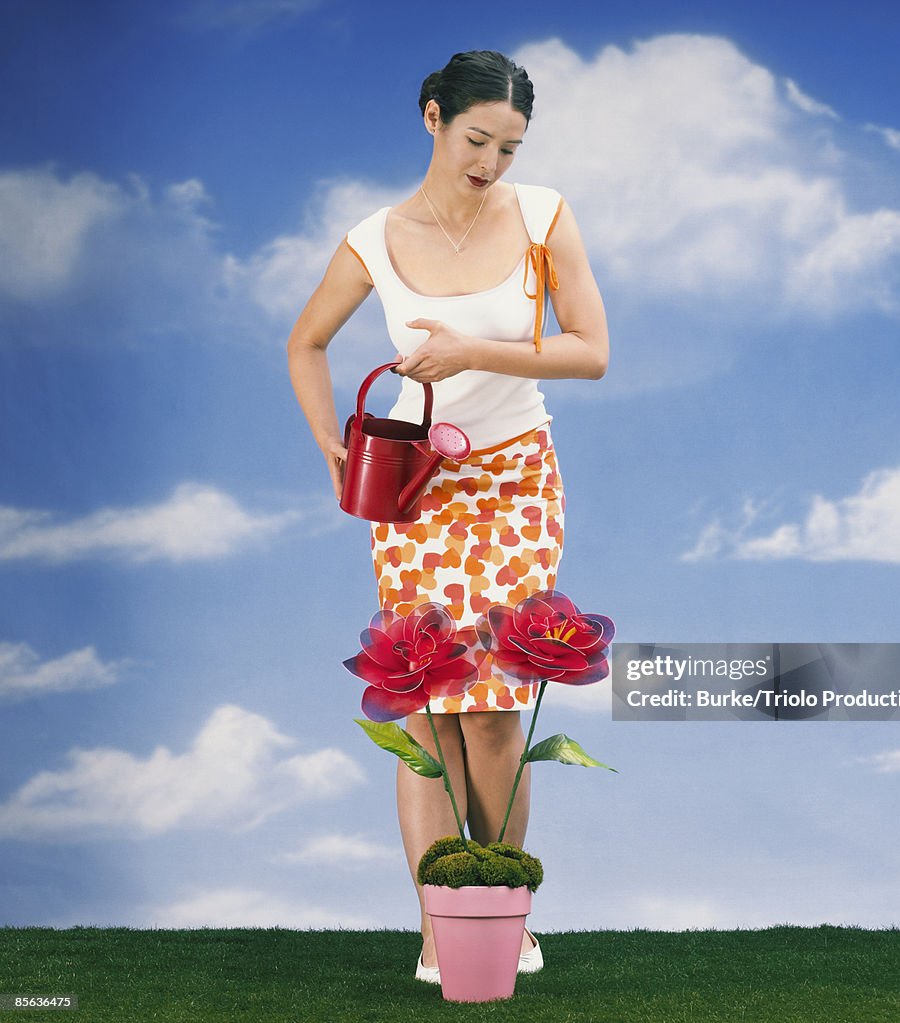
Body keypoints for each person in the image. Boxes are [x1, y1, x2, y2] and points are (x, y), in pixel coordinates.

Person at [287, 49, 608, 982]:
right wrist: (330, 442)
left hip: (516, 483)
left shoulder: (545, 215)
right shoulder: (375, 239)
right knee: (428, 710)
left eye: (509, 146)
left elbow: (591, 352)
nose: (491, 163)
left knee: (498, 710)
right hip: (418, 492)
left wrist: (474, 350)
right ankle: (438, 928)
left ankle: (501, 911)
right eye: (477, 139)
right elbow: (306, 342)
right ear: (433, 118)